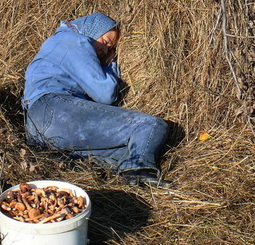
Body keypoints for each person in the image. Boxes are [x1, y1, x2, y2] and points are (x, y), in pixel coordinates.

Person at [23, 12, 171, 188]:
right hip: (54, 109)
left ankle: (132, 173)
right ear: (94, 30)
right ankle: (139, 171)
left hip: (37, 127)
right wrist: (110, 66)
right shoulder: (73, 41)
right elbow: (105, 94)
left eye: (110, 49)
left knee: (126, 151)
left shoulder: (57, 44)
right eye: (106, 42)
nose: (106, 50)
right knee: (150, 126)